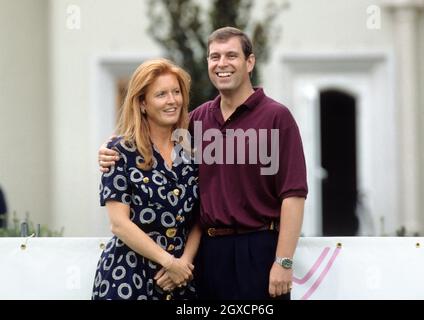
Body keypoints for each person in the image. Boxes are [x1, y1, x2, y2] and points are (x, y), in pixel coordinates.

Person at [98, 27, 307, 300]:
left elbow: (293, 195)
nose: (222, 64)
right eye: (214, 56)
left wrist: (284, 261)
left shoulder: (276, 117)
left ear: (250, 62)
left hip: (258, 250)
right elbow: (145, 135)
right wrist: (107, 149)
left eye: (231, 55)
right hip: (208, 255)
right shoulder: (196, 121)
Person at [92, 58, 201, 300]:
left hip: (181, 279)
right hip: (128, 278)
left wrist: (183, 264)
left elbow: (200, 218)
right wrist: (169, 262)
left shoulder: (192, 151)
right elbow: (119, 223)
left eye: (176, 92)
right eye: (161, 94)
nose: (172, 100)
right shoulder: (119, 151)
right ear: (142, 103)